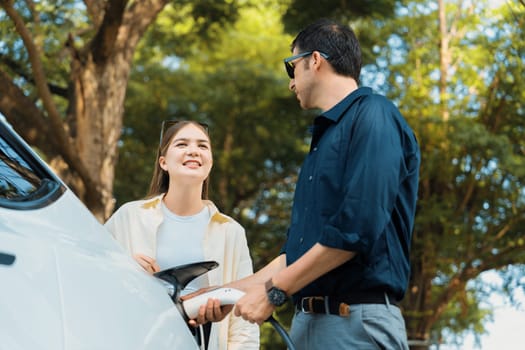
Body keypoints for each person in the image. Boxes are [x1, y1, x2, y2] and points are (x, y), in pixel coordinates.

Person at [197, 18, 420, 349]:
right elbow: (295, 255)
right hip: (308, 326)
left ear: (315, 60)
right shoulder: (323, 144)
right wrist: (224, 294)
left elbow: (355, 229)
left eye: (292, 68)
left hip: (355, 326)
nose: (291, 83)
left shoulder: (375, 115)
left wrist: (275, 292)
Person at [104, 120, 259, 350]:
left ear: (210, 163)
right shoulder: (129, 217)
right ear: (163, 162)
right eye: (182, 144)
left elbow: (243, 317)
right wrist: (124, 268)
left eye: (202, 146)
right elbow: (90, 277)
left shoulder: (231, 232)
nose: (193, 151)